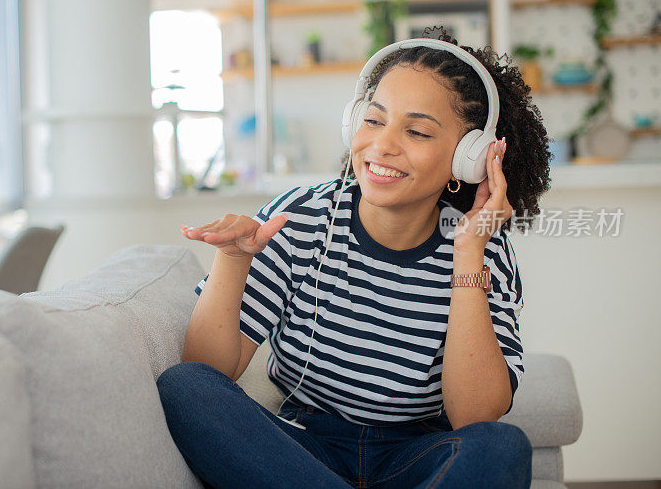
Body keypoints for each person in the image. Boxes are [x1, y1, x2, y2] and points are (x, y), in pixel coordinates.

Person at [156, 27, 552, 489]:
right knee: (186, 388)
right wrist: (232, 260)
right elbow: (208, 368)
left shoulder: (483, 245)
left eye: (418, 131)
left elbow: (476, 415)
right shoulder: (300, 217)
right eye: (374, 120)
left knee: (502, 446)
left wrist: (468, 255)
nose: (383, 145)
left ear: (467, 160)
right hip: (306, 450)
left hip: (416, 454)